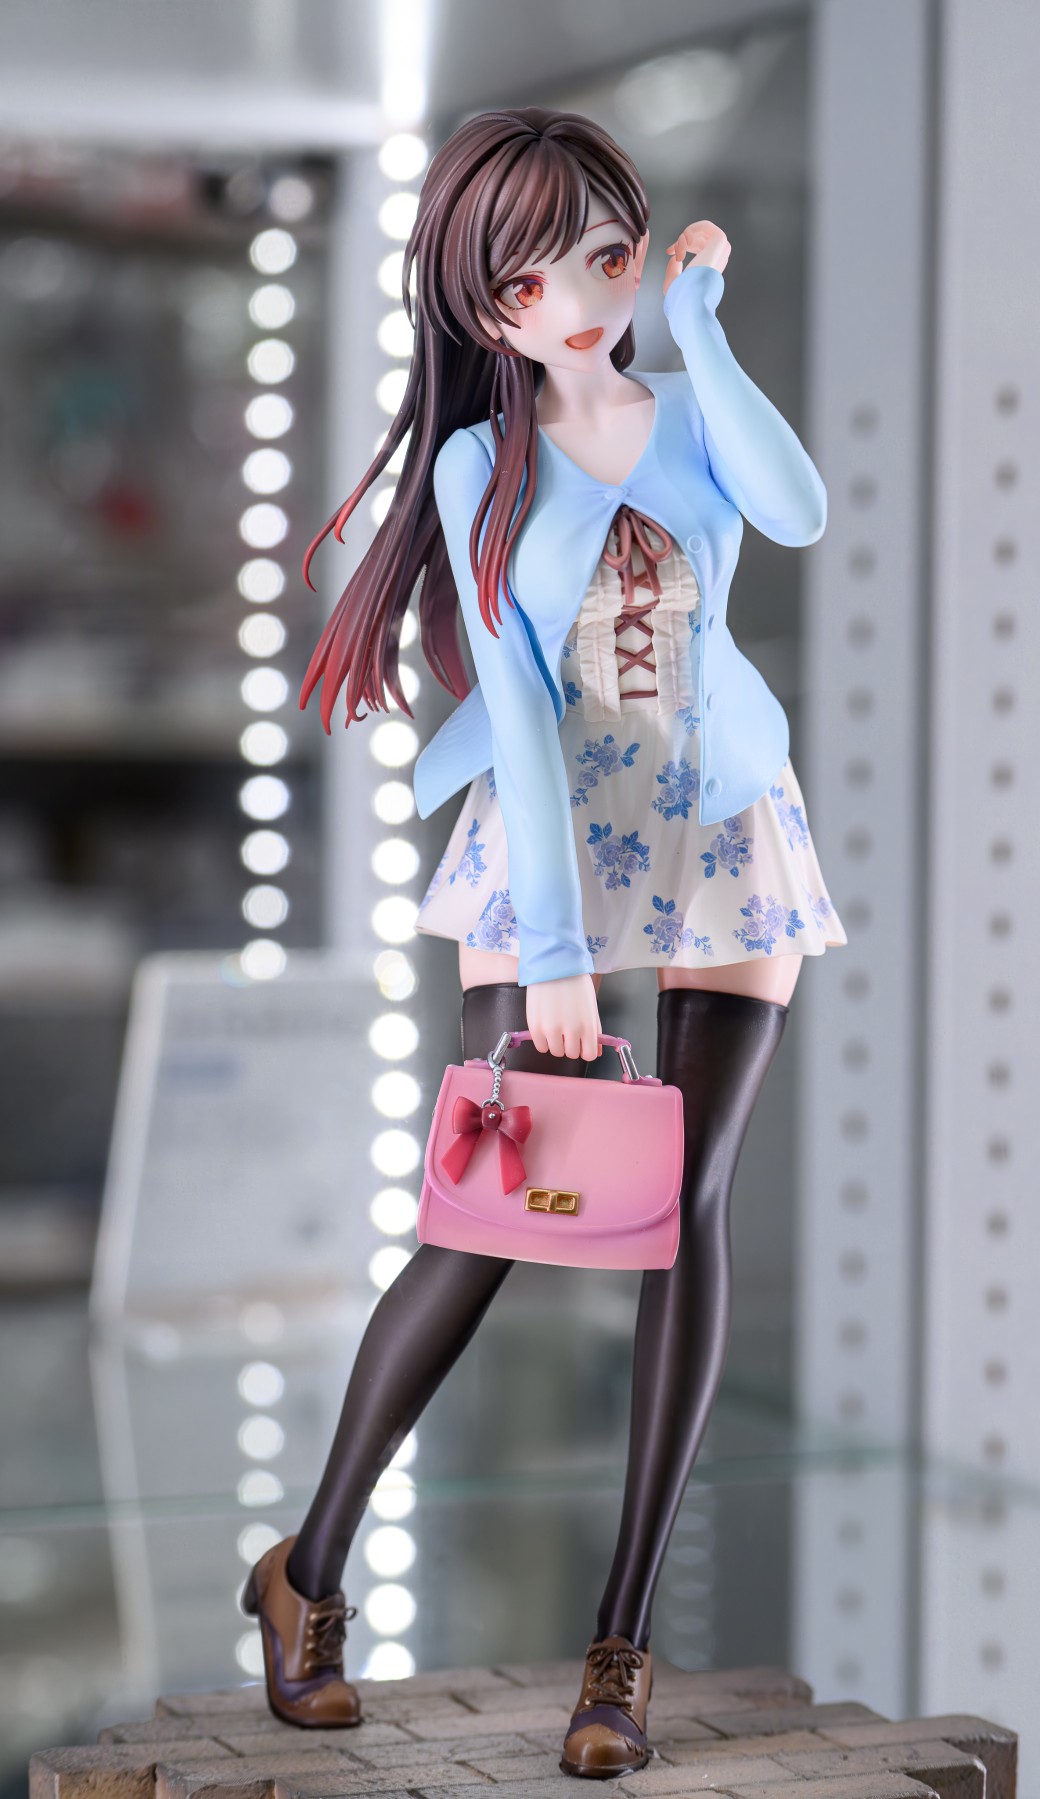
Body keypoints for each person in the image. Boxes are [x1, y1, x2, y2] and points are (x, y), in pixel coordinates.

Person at [240, 104, 847, 1779]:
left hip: (725, 818)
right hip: (551, 838)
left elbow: (796, 513)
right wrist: (559, 955)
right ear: (479, 308)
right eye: (524, 282)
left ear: (641, 249)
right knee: (488, 1218)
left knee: (686, 1213)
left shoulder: (691, 409)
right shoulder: (477, 465)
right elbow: (510, 702)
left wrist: (702, 325)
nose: (573, 301)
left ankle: (621, 1651)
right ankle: (307, 1571)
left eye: (600, 256)